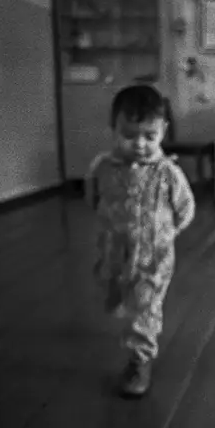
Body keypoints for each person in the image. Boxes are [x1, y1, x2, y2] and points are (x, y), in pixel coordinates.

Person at [85, 84, 195, 398]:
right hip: (114, 252)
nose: (140, 144)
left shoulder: (167, 172)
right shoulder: (102, 168)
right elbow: (92, 198)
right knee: (118, 296)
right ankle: (131, 317)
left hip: (154, 257)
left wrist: (167, 233)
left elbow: (185, 209)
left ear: (163, 131)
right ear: (114, 129)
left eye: (150, 136)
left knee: (146, 305)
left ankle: (140, 358)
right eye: (129, 135)